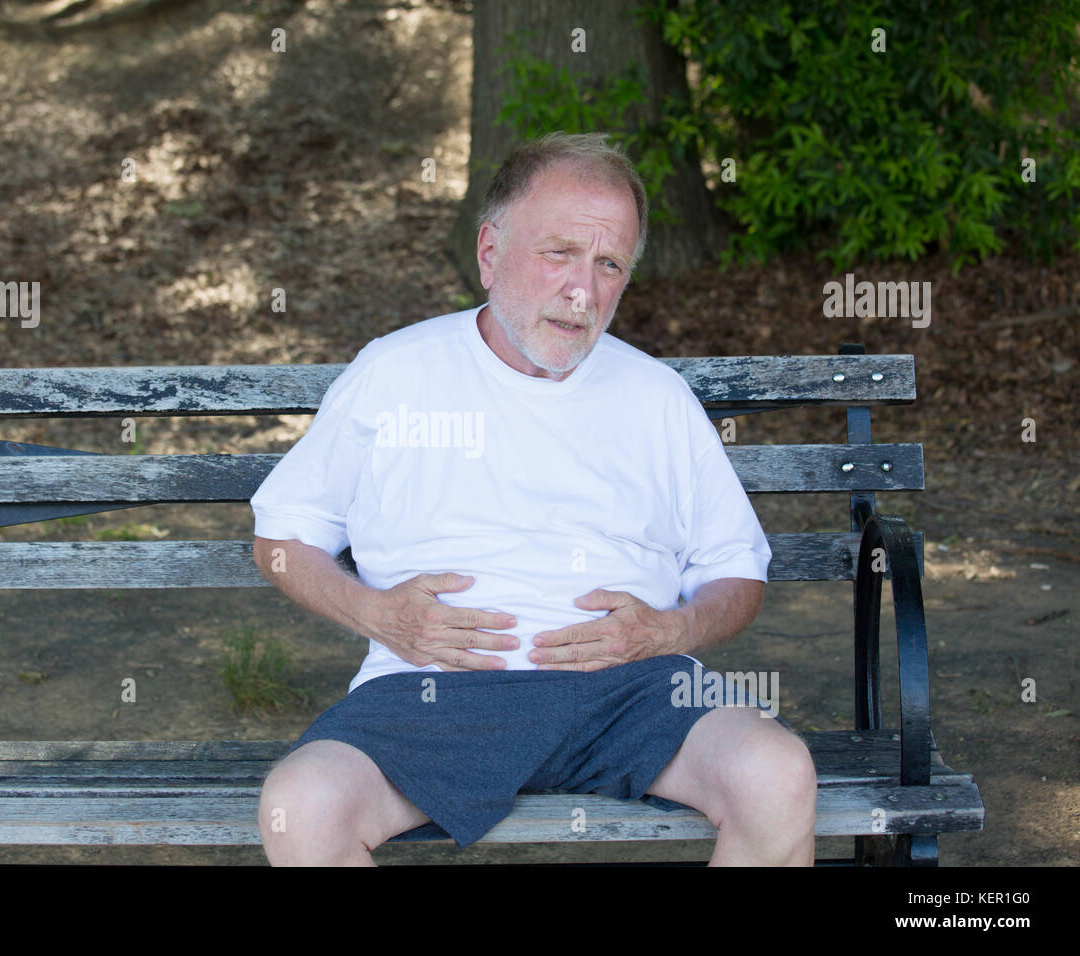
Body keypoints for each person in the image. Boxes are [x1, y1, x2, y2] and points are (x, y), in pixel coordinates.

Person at [249, 131, 817, 866]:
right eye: (559, 253)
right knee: (302, 806)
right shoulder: (394, 374)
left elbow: (737, 574)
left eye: (609, 264)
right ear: (489, 253)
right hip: (432, 692)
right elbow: (282, 542)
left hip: (632, 688)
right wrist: (378, 613)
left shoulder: (657, 396)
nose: (584, 290)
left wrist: (668, 633)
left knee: (778, 773)